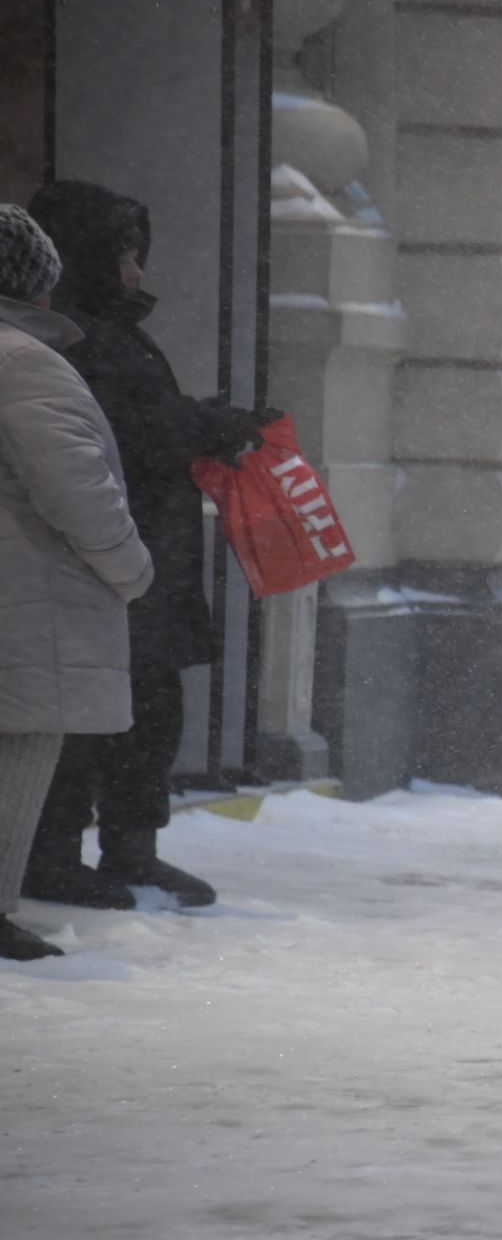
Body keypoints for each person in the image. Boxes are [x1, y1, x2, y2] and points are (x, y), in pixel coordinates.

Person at [21, 181, 266, 911]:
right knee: (89, 716)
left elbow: (141, 421)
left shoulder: (110, 329)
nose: (137, 272)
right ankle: (53, 853)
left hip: (142, 555)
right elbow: (112, 439)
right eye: (125, 255)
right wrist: (202, 430)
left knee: (148, 709)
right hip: (98, 562)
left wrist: (204, 420)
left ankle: (131, 848)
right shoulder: (62, 338)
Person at [0, 204, 153, 959]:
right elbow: (78, 491)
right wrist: (131, 569)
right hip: (26, 601)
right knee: (21, 747)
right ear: (38, 286)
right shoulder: (23, 362)